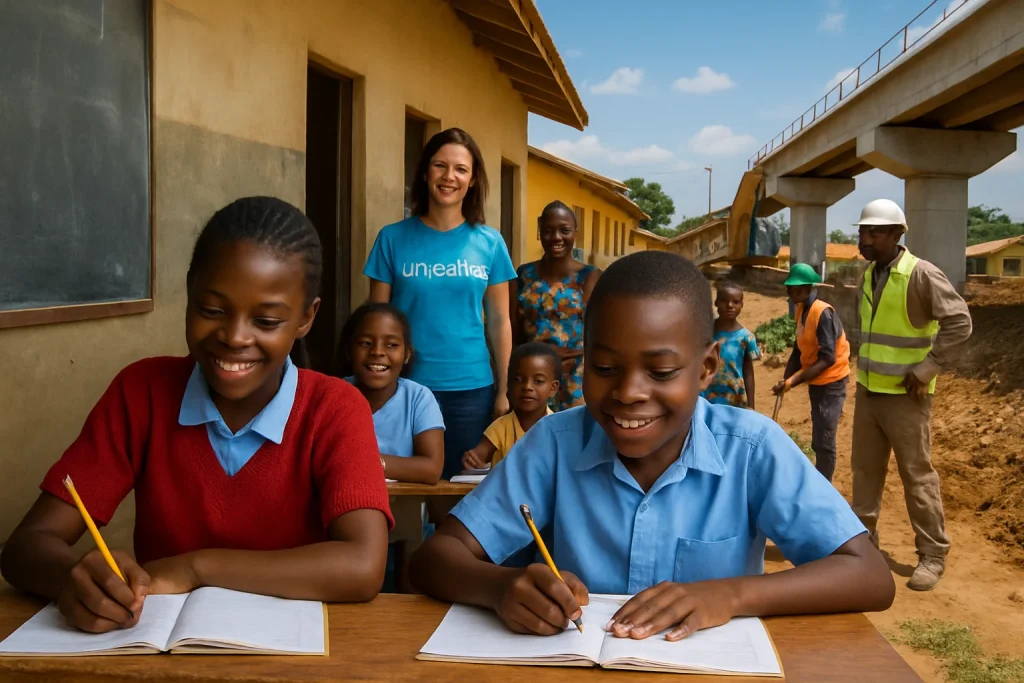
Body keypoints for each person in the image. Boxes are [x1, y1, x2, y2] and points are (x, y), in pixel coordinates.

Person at [410, 251, 894, 640]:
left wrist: (725, 596)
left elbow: (869, 575)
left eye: (661, 372)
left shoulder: (751, 448)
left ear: (706, 369)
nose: (628, 392)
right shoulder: (554, 444)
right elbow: (434, 559)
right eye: (604, 369)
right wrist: (500, 586)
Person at [0, 197, 393, 633]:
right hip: (157, 658)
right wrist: (74, 579)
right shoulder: (142, 392)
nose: (234, 336)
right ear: (189, 292)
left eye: (266, 321)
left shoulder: (335, 408)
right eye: (212, 310)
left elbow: (362, 566)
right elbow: (25, 547)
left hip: (290, 663)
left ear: (306, 318)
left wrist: (196, 569)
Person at [364, 128, 516, 480]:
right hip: (404, 386)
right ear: (424, 172)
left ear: (473, 179)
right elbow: (376, 321)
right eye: (440, 166)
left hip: (471, 390)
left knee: (459, 493)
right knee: (398, 491)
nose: (450, 177)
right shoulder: (392, 238)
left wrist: (504, 390)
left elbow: (500, 322)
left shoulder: (490, 243)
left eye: (461, 169)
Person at [851, 198, 972, 591]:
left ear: (897, 234)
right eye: (862, 231)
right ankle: (865, 548)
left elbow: (959, 322)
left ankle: (933, 554)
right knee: (865, 474)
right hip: (869, 393)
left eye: (874, 232)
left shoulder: (921, 275)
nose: (865, 238)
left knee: (916, 476)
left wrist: (928, 366)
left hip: (907, 398)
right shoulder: (868, 274)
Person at [341, 302, 445, 485]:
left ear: (406, 354)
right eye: (365, 343)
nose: (377, 352)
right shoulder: (333, 395)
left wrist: (361, 461)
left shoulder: (418, 398)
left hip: (402, 507)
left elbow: (431, 469)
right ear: (349, 350)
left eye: (391, 345)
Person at [511, 201, 600, 411]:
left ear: (575, 233)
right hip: (532, 382)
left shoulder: (590, 277)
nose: (556, 237)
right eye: (548, 231)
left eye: (564, 230)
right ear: (540, 232)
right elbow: (514, 332)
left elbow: (600, 334)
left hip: (577, 383)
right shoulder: (524, 275)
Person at [771, 263, 850, 483]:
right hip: (817, 381)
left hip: (831, 382)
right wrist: (786, 377)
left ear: (806, 288)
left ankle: (824, 486)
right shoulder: (801, 309)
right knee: (818, 436)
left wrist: (794, 380)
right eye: (788, 288)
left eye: (793, 289)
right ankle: (820, 480)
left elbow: (828, 358)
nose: (788, 292)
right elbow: (799, 348)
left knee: (824, 439)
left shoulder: (822, 313)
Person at [462, 343, 560, 471]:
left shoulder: (558, 429)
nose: (527, 387)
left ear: (553, 388)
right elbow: (477, 457)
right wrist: (471, 460)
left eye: (538, 381)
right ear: (509, 384)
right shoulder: (501, 427)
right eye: (519, 380)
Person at [701, 282, 759, 409]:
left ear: (741, 305)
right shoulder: (703, 333)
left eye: (735, 302)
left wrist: (751, 405)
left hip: (734, 400)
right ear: (716, 303)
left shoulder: (746, 338)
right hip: (704, 399)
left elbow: (748, 371)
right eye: (724, 301)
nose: (729, 306)